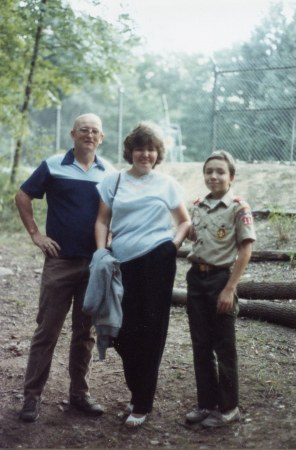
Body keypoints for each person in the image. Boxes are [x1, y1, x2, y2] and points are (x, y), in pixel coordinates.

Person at [15, 113, 115, 422]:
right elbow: (23, 195)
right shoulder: (54, 165)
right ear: (72, 134)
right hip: (60, 263)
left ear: (101, 137)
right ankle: (31, 398)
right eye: (83, 129)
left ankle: (79, 395)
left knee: (84, 332)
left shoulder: (109, 172)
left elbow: (114, 212)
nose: (88, 134)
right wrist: (36, 234)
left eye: (94, 131)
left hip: (94, 264)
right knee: (47, 331)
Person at [94, 121, 191, 428]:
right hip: (120, 265)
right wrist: (102, 252)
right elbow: (101, 221)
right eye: (139, 148)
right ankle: (137, 392)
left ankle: (142, 402)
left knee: (150, 332)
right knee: (121, 331)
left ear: (157, 153)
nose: (145, 154)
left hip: (156, 264)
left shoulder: (167, 184)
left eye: (151, 149)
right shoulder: (114, 181)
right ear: (130, 151)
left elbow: (184, 222)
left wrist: (171, 246)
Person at [185, 150, 256, 428]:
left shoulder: (239, 207)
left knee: (223, 346)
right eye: (209, 171)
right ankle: (206, 404)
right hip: (196, 279)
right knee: (200, 344)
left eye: (220, 172)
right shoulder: (198, 205)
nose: (213, 176)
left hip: (220, 281)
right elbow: (193, 235)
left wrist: (229, 289)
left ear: (231, 177)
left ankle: (228, 407)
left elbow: (245, 251)